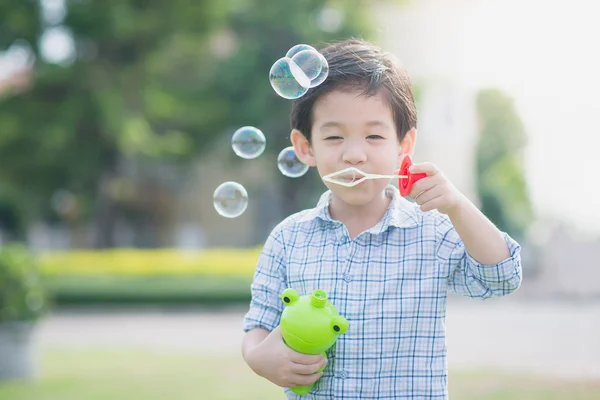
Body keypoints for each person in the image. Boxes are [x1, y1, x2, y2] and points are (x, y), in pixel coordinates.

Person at [241, 38, 522, 399]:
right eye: (334, 136)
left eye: (374, 136)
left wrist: (456, 205)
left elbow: (502, 277)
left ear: (403, 146)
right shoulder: (288, 238)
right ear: (305, 147)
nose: (354, 154)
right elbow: (258, 326)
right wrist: (258, 358)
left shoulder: (432, 231)